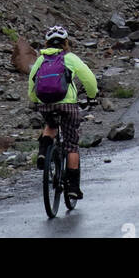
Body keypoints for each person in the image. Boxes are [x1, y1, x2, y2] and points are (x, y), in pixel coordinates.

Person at [28, 24, 98, 201]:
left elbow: (32, 82)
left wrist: (35, 101)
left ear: (47, 43)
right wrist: (92, 96)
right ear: (66, 42)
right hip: (67, 105)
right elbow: (88, 78)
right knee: (71, 145)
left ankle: (43, 152)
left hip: (46, 103)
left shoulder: (40, 59)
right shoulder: (70, 58)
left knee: (50, 124)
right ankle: (73, 188)